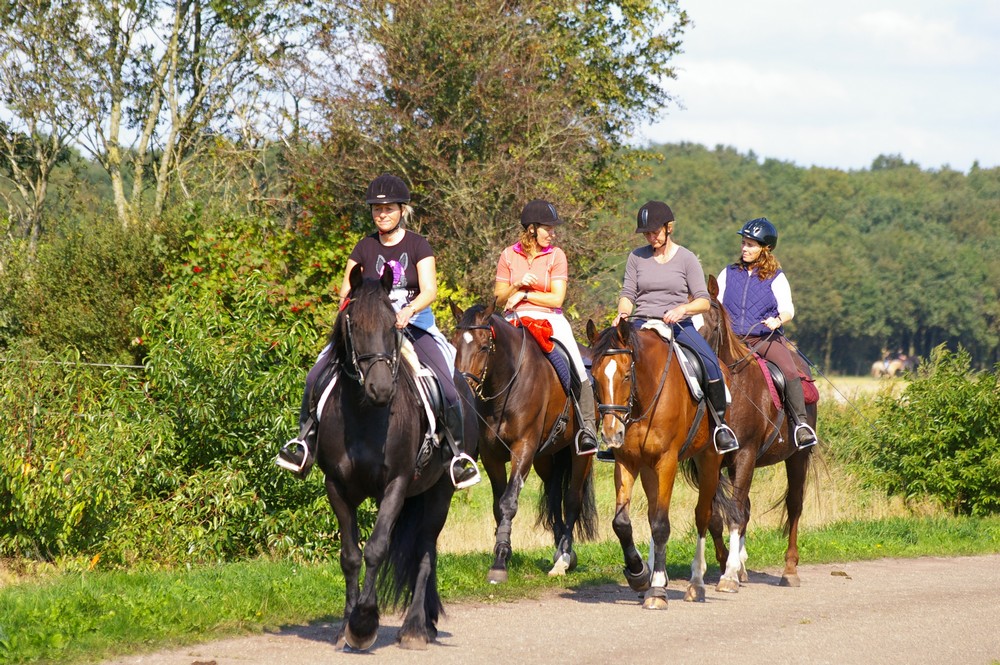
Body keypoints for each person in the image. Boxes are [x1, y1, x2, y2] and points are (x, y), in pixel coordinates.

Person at [277, 173, 480, 487]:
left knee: (448, 386)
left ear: (401, 210)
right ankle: (304, 443)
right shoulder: (364, 247)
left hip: (414, 328)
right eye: (376, 209)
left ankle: (455, 456)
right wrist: (351, 314)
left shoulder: (417, 245)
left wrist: (409, 310)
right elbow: (346, 290)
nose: (382, 214)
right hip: (370, 332)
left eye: (388, 209)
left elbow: (430, 290)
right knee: (315, 375)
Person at [610, 200, 739, 457]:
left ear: (669, 228)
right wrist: (623, 312)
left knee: (710, 364)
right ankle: (610, 432)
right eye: (646, 233)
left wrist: (682, 309)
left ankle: (720, 427)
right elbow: (628, 293)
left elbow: (703, 300)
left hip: (678, 325)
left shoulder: (687, 258)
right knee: (609, 364)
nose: (650, 237)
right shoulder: (636, 257)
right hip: (640, 323)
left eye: (654, 231)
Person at [494, 199, 598, 456]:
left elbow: (556, 299)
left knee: (577, 364)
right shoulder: (508, 255)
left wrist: (525, 297)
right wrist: (517, 284)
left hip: (550, 318)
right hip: (514, 318)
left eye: (553, 229)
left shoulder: (556, 255)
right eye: (548, 228)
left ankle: (587, 428)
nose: (553, 233)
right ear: (531, 229)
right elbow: (498, 298)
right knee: (486, 358)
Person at [717, 217, 817, 448]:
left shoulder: (776, 277)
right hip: (732, 340)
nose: (744, 248)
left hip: (763, 338)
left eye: (750, 245)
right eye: (743, 243)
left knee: (789, 369)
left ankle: (801, 424)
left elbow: (788, 309)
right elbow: (717, 304)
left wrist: (777, 320)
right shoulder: (728, 273)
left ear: (766, 248)